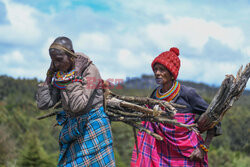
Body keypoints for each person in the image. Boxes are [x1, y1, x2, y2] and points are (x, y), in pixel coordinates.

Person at [131, 47, 221, 167]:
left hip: (189, 155)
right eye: (155, 69)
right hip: (161, 156)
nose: (157, 73)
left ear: (172, 73)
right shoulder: (154, 95)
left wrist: (204, 148)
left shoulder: (187, 94)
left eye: (162, 69)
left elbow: (214, 118)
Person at [36, 36, 115, 167]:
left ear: (71, 54)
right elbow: (44, 104)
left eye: (59, 60)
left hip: (93, 127)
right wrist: (49, 75)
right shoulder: (61, 74)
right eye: (53, 61)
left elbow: (78, 105)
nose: (56, 65)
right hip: (74, 128)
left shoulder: (90, 71)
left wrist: (77, 75)